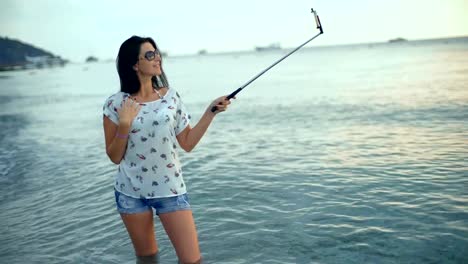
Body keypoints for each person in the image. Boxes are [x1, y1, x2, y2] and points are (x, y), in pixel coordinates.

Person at [102, 36, 233, 264]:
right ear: (134, 64)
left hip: (171, 190)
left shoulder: (170, 96)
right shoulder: (115, 103)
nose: (157, 58)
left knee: (192, 260)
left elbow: (188, 143)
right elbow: (114, 156)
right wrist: (124, 124)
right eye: (150, 55)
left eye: (157, 53)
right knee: (148, 260)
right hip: (131, 193)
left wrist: (210, 112)